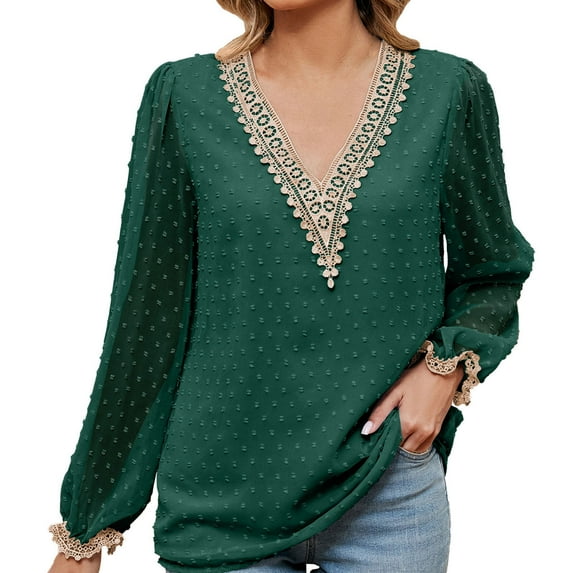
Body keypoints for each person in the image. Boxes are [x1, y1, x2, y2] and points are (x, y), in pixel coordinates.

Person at [47, 0, 534, 572]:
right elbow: (146, 319)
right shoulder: (185, 95)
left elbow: (492, 270)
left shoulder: (448, 90)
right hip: (218, 498)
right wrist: (89, 525)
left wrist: (442, 371)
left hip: (386, 484)